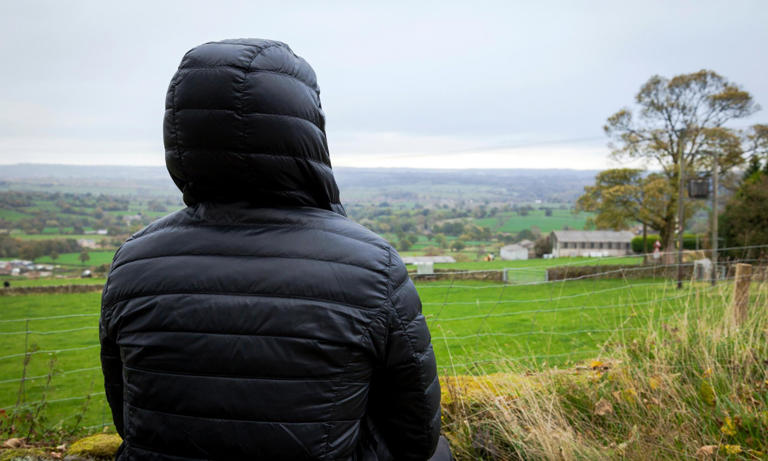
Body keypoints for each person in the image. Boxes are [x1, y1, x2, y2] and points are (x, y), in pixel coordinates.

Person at [100, 39, 448, 460]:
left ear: (182, 133)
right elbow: (416, 433)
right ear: (305, 127)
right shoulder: (372, 267)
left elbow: (128, 417)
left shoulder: (133, 263)